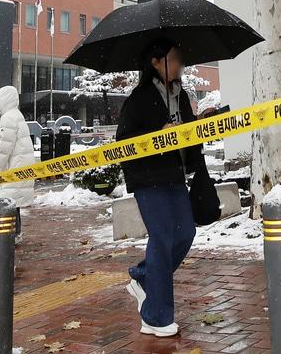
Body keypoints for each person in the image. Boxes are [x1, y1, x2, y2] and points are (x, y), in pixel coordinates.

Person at [116, 38, 206, 338]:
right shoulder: (138, 99)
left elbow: (188, 135)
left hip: (175, 175)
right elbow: (124, 141)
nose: (180, 63)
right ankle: (156, 316)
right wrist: (158, 134)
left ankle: (143, 277)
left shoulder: (181, 96)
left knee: (185, 234)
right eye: (174, 58)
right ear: (156, 61)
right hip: (148, 177)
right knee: (163, 237)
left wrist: (201, 126)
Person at [0, 85, 36, 239]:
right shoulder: (17, 115)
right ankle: (15, 233)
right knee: (13, 204)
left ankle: (5, 237)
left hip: (14, 167)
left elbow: (4, 151)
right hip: (21, 166)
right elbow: (9, 142)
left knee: (3, 203)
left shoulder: (8, 118)